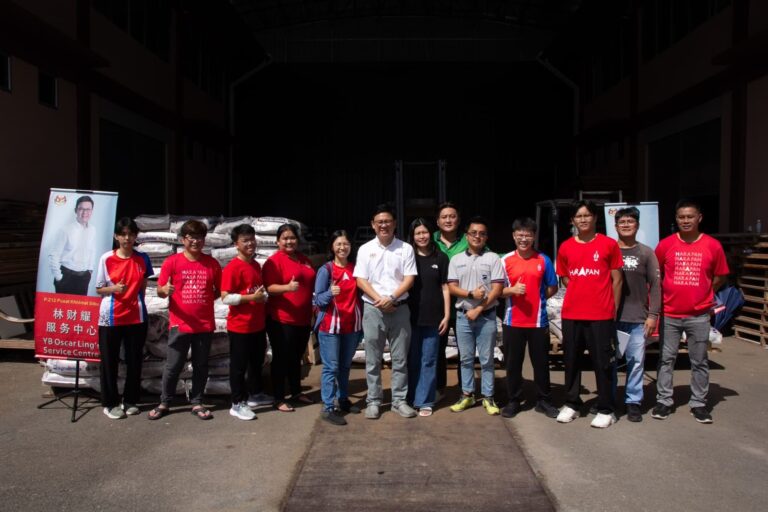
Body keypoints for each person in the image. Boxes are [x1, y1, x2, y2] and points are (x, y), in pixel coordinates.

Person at [652, 200, 729, 424]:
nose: (685, 221)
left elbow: (720, 275)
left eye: (690, 216)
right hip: (670, 314)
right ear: (676, 219)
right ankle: (664, 401)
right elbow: (656, 276)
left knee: (699, 360)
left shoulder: (713, 245)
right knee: (666, 359)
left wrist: (706, 293)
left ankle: (699, 404)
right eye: (681, 217)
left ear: (699, 218)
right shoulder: (665, 245)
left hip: (699, 315)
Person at [555, 200, 623, 428]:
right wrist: (581, 290)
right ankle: (572, 403)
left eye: (587, 215)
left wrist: (612, 309)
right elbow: (566, 277)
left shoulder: (609, 244)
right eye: (578, 216)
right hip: (572, 314)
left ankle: (606, 408)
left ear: (595, 218)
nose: (583, 219)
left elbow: (617, 280)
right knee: (571, 360)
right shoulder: (565, 247)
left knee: (602, 363)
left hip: (601, 315)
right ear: (572, 220)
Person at [149, 220, 222, 420]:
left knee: (201, 365)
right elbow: (160, 290)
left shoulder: (212, 264)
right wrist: (165, 290)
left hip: (204, 324)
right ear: (183, 240)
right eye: (191, 237)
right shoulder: (172, 262)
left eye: (199, 237)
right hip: (179, 324)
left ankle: (197, 402)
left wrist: (204, 300)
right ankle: (165, 402)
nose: (196, 241)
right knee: (173, 365)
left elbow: (218, 291)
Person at [354, 203, 418, 419]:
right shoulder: (365, 249)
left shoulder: (405, 248)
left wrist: (391, 298)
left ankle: (399, 400)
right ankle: (373, 400)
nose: (384, 225)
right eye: (379, 222)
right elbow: (361, 280)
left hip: (399, 309)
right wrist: (379, 300)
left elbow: (409, 279)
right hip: (373, 310)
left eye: (388, 221)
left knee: (400, 359)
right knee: (373, 358)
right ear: (373, 225)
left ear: (395, 223)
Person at [499, 217, 559, 419]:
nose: (523, 239)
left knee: (541, 363)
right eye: (520, 234)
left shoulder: (544, 259)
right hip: (512, 321)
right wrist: (512, 290)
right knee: (513, 364)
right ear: (513, 236)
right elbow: (497, 291)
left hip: (538, 321)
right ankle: (514, 400)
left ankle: (544, 400)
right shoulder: (505, 260)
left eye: (528, 235)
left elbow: (552, 287)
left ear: (534, 237)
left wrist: (538, 298)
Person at [95, 217, 153, 420]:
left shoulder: (143, 258)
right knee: (109, 361)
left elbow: (143, 287)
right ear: (116, 236)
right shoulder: (106, 258)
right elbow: (99, 288)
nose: (127, 238)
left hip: (136, 316)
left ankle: (130, 400)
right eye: (123, 234)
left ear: (136, 236)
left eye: (131, 234)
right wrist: (114, 289)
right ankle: (110, 403)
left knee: (134, 360)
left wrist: (137, 303)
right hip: (110, 317)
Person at [447, 216, 505, 416]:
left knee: (487, 359)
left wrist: (479, 308)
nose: (477, 236)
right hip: (463, 316)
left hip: (486, 316)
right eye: (473, 233)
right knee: (465, 359)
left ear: (486, 237)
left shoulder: (493, 258)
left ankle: (488, 396)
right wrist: (471, 295)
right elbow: (452, 287)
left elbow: (497, 289)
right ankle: (467, 394)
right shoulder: (456, 260)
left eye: (482, 234)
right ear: (466, 236)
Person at [613, 207, 661, 423]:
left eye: (630, 221)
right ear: (615, 226)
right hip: (612, 318)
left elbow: (656, 285)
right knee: (610, 362)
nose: (626, 225)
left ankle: (633, 402)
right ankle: (609, 399)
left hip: (638, 319)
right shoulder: (609, 250)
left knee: (636, 362)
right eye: (622, 222)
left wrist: (653, 315)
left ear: (637, 225)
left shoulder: (646, 253)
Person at [263, 223, 317, 412]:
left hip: (303, 318)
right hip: (281, 319)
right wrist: (287, 287)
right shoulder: (273, 261)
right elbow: (269, 288)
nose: (289, 241)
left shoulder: (304, 259)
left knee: (296, 357)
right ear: (278, 241)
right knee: (281, 358)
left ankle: (296, 392)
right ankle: (278, 398)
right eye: (285, 238)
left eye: (292, 238)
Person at [313, 230, 363, 426]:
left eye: (346, 244)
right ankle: (328, 407)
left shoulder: (355, 268)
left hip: (351, 326)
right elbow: (317, 300)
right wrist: (329, 293)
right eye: (338, 244)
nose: (343, 247)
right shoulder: (326, 270)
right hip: (331, 327)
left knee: (345, 366)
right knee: (331, 367)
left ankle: (343, 399)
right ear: (332, 247)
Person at [221, 224, 270, 421]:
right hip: (240, 326)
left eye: (252, 239)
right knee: (239, 367)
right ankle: (237, 403)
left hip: (257, 324)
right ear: (236, 244)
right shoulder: (233, 268)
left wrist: (262, 297)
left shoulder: (255, 265)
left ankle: (255, 394)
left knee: (256, 362)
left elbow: (256, 290)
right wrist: (251, 298)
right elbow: (225, 297)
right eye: (245, 241)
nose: (250, 244)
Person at [406, 218, 450, 417]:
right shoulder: (408, 257)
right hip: (411, 317)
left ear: (431, 234)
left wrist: (446, 315)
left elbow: (445, 287)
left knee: (429, 359)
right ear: (412, 236)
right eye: (418, 233)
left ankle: (425, 400)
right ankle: (411, 397)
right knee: (413, 359)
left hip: (434, 318)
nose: (422, 236)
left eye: (425, 232)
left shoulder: (441, 258)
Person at [433, 202, 467, 398]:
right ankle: (438, 389)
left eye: (452, 216)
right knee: (437, 350)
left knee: (465, 351)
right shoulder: (429, 240)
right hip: (437, 308)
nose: (448, 220)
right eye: (444, 217)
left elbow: (490, 257)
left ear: (458, 220)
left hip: (464, 305)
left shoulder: (468, 240)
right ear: (437, 221)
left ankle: (466, 389)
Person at [48, 195, 97, 295]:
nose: (85, 212)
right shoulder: (65, 230)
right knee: (63, 305)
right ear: (76, 210)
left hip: (84, 278)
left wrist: (90, 270)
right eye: (81, 209)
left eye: (88, 209)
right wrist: (59, 277)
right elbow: (54, 255)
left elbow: (92, 250)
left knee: (80, 305)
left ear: (92, 211)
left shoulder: (92, 230)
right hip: (66, 277)